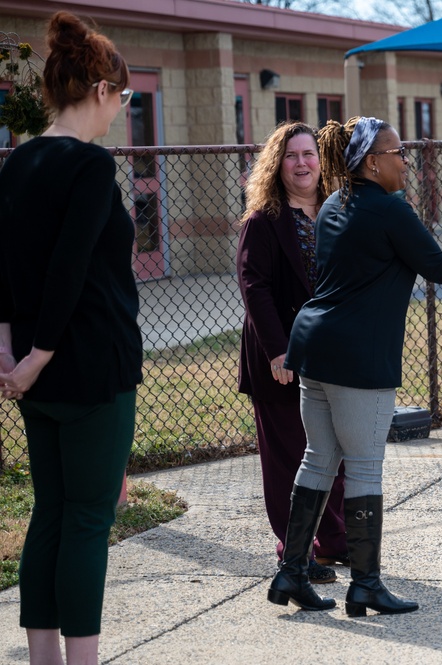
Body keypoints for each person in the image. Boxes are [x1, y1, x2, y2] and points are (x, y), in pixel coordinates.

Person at [266, 116, 442, 615]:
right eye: (397, 152)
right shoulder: (390, 211)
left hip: (315, 347)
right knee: (364, 465)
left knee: (319, 458)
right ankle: (364, 585)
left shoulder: (331, 205)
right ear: (372, 162)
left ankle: (292, 574)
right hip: (356, 356)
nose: (405, 160)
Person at [0, 11, 142, 664]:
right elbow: (70, 268)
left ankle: (43, 659)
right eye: (126, 96)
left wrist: (12, 352)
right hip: (90, 368)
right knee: (88, 519)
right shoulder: (90, 165)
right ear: (102, 91)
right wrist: (38, 355)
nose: (123, 108)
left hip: (37, 372)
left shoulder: (19, 159)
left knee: (51, 512)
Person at [237, 122, 349, 586]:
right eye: (291, 155)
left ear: (321, 162)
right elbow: (254, 287)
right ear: (275, 165)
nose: (302, 163)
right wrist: (278, 352)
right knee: (288, 455)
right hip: (280, 357)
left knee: (333, 450)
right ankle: (296, 551)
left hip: (332, 354)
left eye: (309, 154)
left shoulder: (340, 210)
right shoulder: (263, 220)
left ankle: (335, 540)